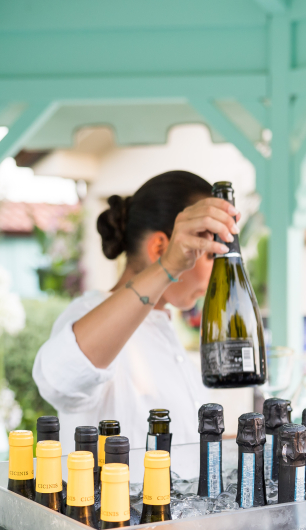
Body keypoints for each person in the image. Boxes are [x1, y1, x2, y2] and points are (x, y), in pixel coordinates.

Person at [33, 171, 240, 450]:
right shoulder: (88, 313)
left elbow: (183, 446)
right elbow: (58, 379)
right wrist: (168, 267)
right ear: (161, 248)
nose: (219, 270)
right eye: (211, 254)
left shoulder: (165, 330)